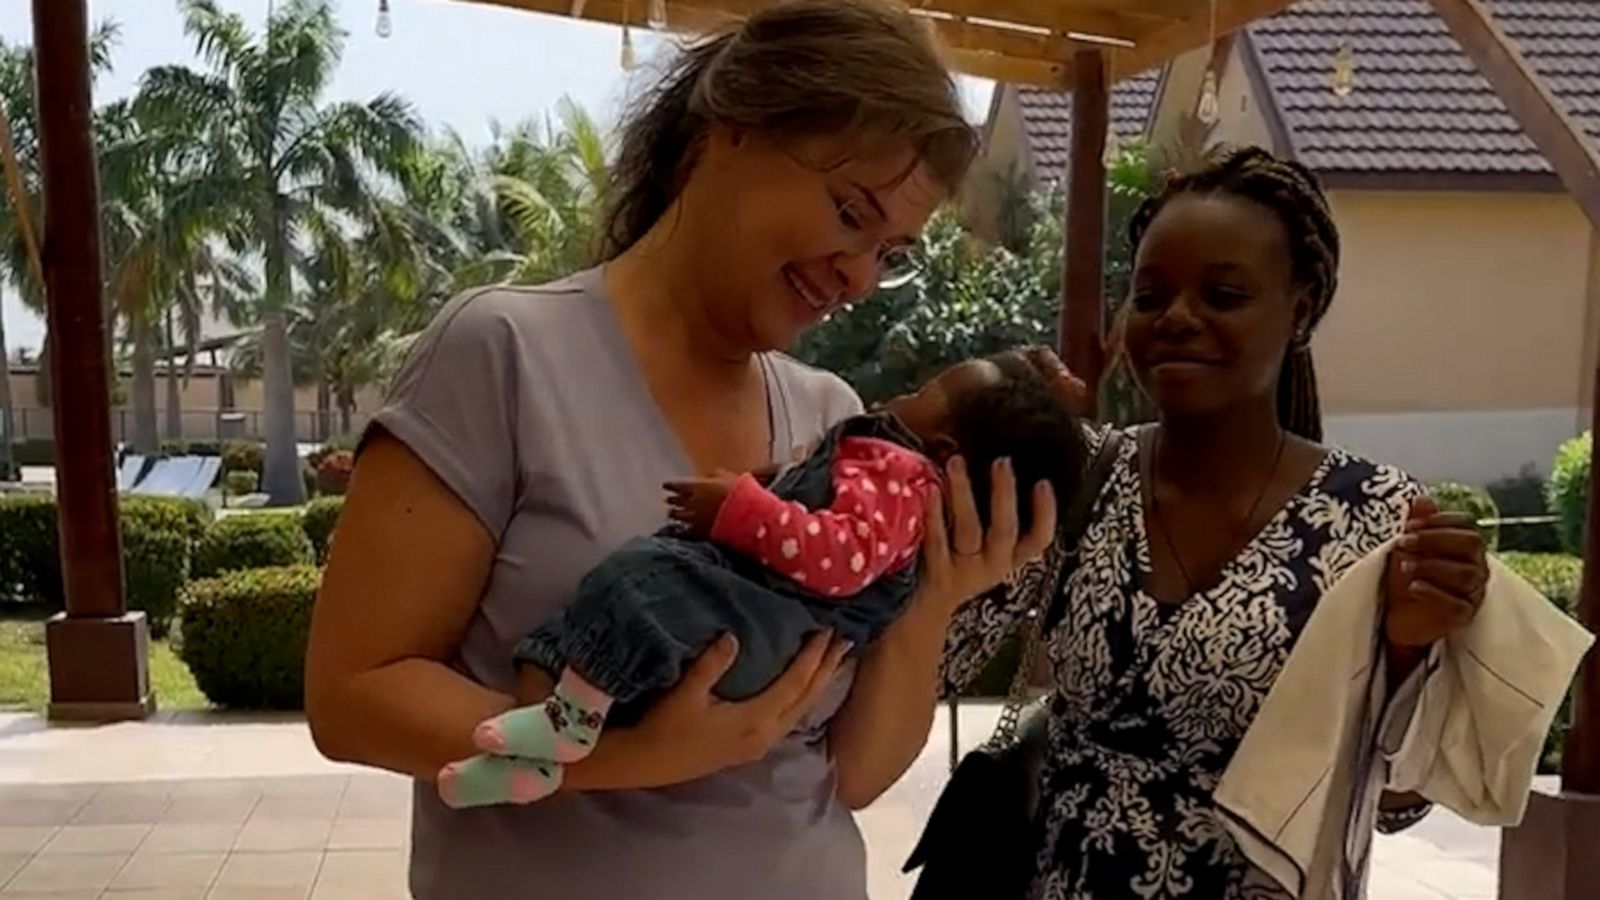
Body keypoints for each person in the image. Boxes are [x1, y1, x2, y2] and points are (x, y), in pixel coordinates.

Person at [302, 3, 1058, 898]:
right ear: (732, 129)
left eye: (889, 252)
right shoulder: (502, 354)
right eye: (850, 213)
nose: (858, 273)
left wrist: (935, 597)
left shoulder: (834, 422)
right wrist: (622, 756)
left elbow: (848, 777)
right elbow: (354, 698)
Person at [864, 145, 1493, 899]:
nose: (1179, 320)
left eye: (1224, 295)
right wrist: (969, 429)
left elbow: (1397, 805)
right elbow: (924, 664)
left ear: (1299, 310)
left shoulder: (1375, 516)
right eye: (1152, 296)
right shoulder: (1075, 481)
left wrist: (1412, 646)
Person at [437, 352, 1087, 809]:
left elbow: (837, 555)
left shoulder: (894, 471)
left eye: (924, 393)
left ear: (944, 452)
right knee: (574, 633)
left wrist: (743, 509)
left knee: (632, 591)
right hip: (744, 619)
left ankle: (557, 741)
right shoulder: (505, 349)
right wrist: (638, 759)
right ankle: (538, 765)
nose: (901, 396)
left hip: (756, 624)